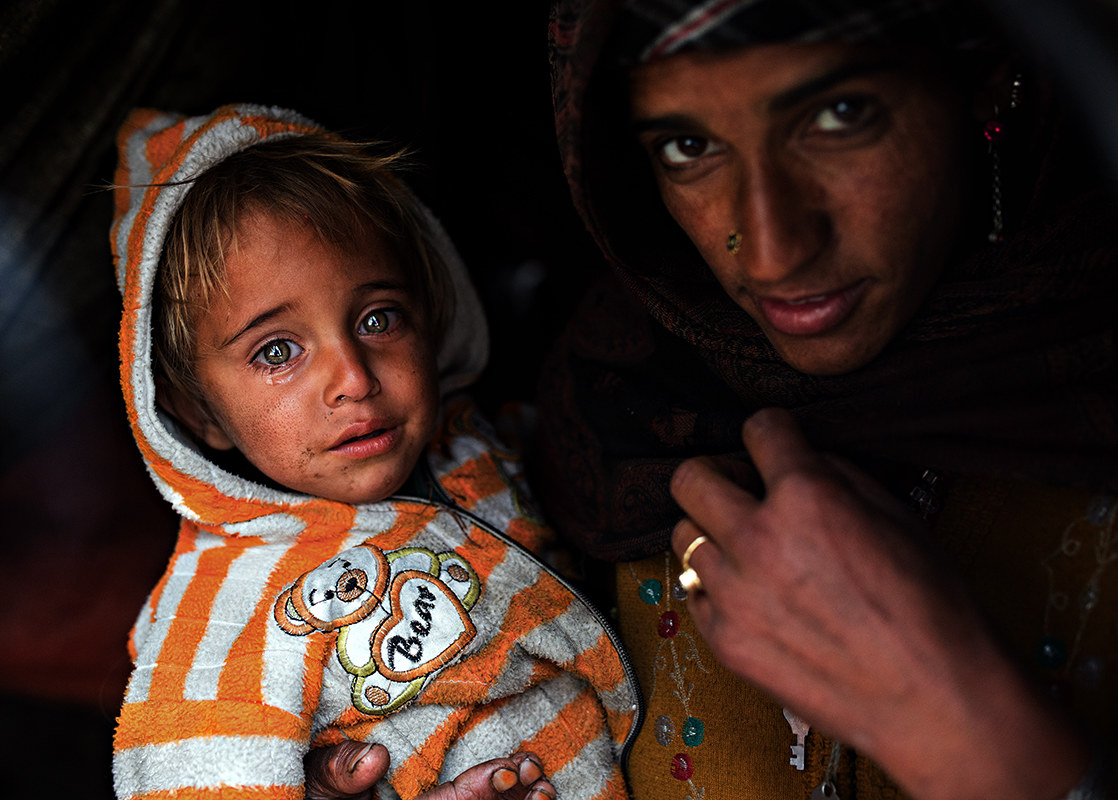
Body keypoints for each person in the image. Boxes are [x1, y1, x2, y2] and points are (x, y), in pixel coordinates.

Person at [529, 0, 1118, 798]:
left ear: (986, 78)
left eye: (840, 117)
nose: (772, 252)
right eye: (689, 146)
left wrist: (950, 714)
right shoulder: (599, 416)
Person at [108, 103, 638, 800]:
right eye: (277, 351)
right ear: (194, 411)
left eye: (377, 319)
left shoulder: (475, 442)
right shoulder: (221, 610)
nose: (355, 378)